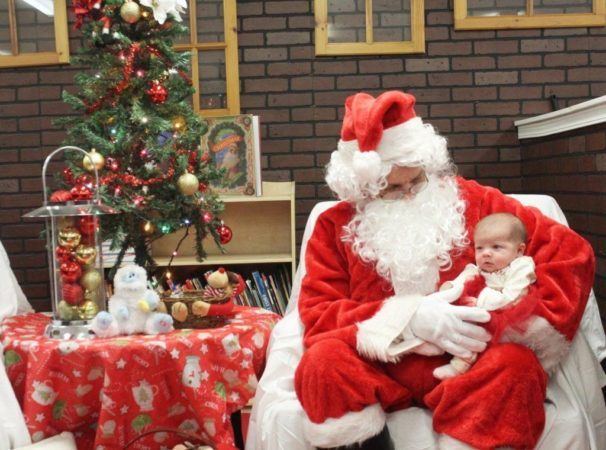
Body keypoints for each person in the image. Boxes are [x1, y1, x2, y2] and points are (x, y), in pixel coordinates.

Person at [294, 91, 595, 450]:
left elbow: (571, 254)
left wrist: (508, 321)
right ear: (365, 188)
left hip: (468, 365)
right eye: (391, 189)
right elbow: (319, 315)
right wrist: (406, 319)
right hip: (380, 368)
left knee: (516, 366)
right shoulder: (334, 226)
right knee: (322, 364)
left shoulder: (476, 202)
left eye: (416, 182)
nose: (408, 194)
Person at [433, 212, 536, 380]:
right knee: (457, 323)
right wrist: (449, 288)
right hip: (479, 311)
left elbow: (513, 297)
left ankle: (459, 364)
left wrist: (480, 300)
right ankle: (438, 347)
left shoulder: (520, 266)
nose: (486, 253)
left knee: (476, 328)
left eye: (496, 247)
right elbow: (461, 283)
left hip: (507, 316)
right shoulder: (475, 269)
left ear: (519, 251)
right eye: (480, 248)